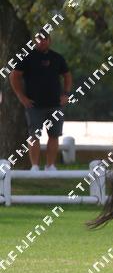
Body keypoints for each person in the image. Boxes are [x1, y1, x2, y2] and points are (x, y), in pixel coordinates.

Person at [9, 33, 72, 171]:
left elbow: (67, 76)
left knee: (54, 135)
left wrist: (66, 94)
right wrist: (21, 97)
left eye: (45, 39)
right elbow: (14, 76)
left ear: (49, 41)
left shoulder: (57, 58)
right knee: (34, 136)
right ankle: (35, 167)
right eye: (39, 40)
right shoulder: (27, 57)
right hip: (34, 105)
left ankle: (50, 166)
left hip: (55, 104)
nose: (42, 42)